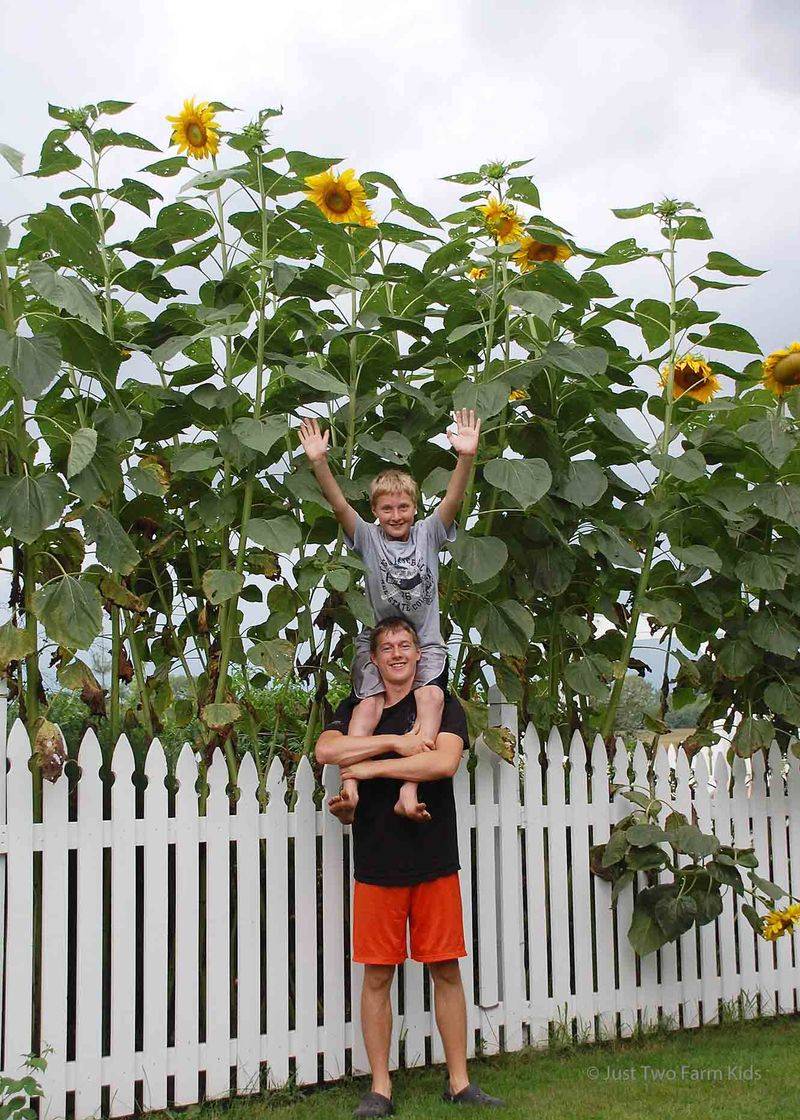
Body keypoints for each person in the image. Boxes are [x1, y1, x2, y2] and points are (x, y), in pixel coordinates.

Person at [315, 615, 505, 1116]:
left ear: (419, 655)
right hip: (377, 863)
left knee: (446, 969)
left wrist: (369, 767)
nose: (397, 653)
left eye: (405, 645)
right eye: (387, 647)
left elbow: (442, 763)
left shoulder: (441, 705)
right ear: (374, 661)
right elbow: (326, 750)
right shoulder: (358, 708)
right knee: (378, 976)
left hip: (433, 858)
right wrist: (394, 744)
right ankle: (380, 1089)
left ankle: (459, 1083)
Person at [298, 409, 481, 824]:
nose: (396, 516)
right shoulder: (366, 536)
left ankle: (408, 789)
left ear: (415, 508)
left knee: (431, 698)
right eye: (387, 508)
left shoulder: (429, 532)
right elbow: (338, 503)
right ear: (375, 510)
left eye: (403, 507)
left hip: (425, 641)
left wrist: (465, 458)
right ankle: (350, 788)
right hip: (379, 642)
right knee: (368, 705)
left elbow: (452, 499)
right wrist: (319, 462)